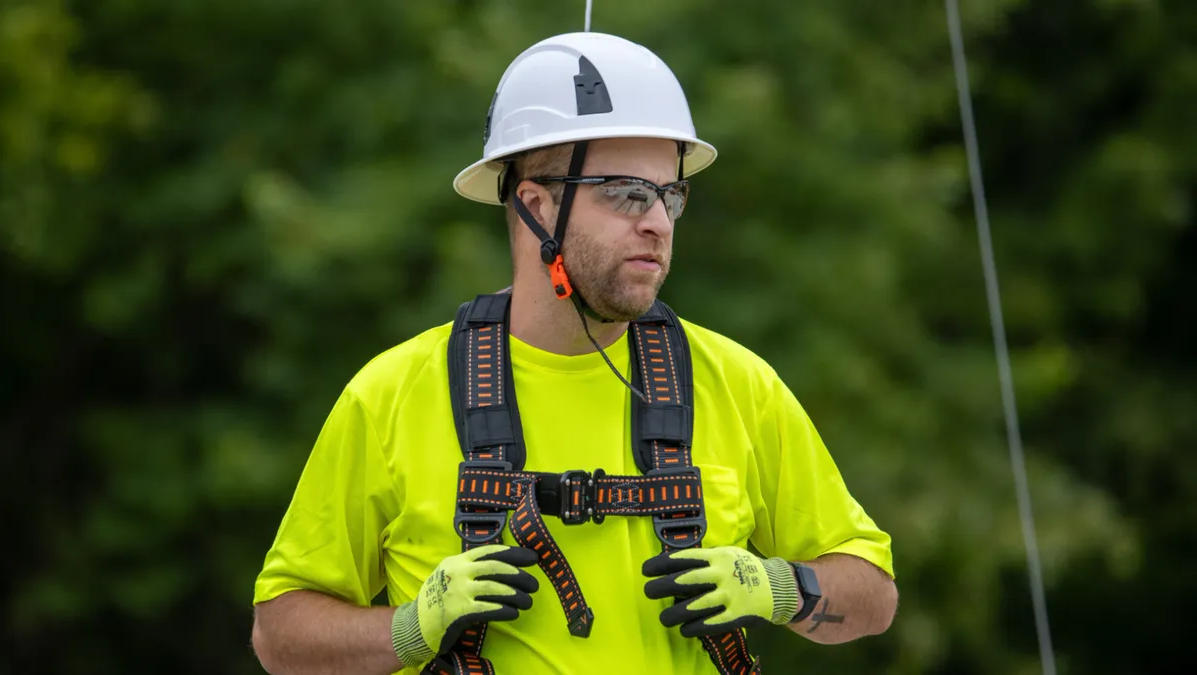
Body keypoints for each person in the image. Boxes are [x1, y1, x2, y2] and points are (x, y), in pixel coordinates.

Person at [250, 30, 897, 675]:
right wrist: (410, 626)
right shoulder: (392, 394)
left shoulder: (735, 384)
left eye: (671, 195)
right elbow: (280, 636)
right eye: (625, 193)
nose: (658, 222)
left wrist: (782, 587)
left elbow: (874, 594)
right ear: (535, 207)